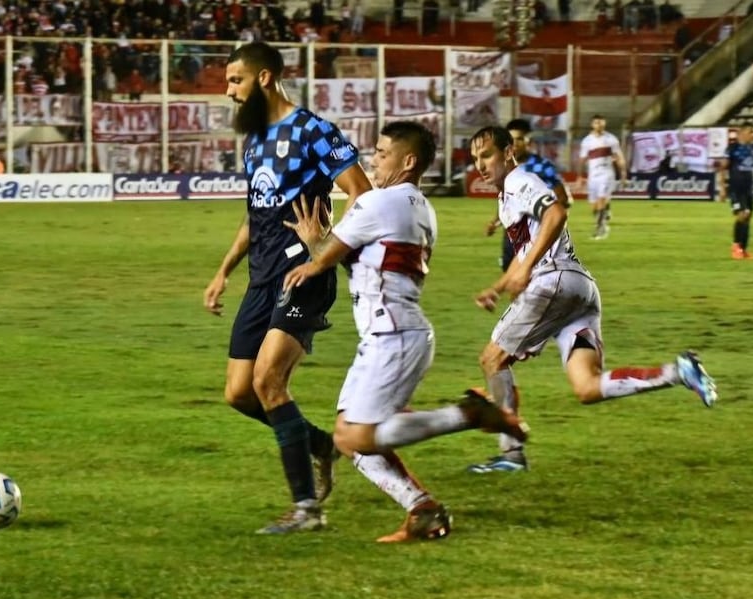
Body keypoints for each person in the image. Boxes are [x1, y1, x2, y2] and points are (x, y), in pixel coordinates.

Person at [281, 121, 527, 542]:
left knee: (359, 435)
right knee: (349, 438)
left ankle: (469, 415)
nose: (373, 161)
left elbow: (322, 259)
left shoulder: (378, 202)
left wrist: (312, 238)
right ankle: (423, 510)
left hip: (392, 335)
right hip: (393, 333)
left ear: (408, 161)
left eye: (382, 153)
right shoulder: (421, 207)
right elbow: (367, 259)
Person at [465, 125, 718, 473]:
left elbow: (556, 213)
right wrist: (499, 285)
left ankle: (511, 455)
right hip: (579, 289)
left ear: (508, 152)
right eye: (475, 158)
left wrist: (526, 271)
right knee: (587, 387)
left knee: (492, 359)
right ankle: (679, 371)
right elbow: (526, 251)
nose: (480, 165)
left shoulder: (520, 181)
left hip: (552, 283)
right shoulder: (507, 195)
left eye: (487, 155)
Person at [203, 42, 373, 534]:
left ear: (264, 79)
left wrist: (325, 250)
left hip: (302, 274)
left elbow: (361, 193)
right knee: (239, 393)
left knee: (268, 382)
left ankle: (306, 510)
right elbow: (256, 214)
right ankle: (320, 445)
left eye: (235, 80)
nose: (228, 90)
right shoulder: (256, 139)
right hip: (261, 279)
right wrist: (224, 270)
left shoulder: (313, 131)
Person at [486, 118, 572, 271]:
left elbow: (564, 199)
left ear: (529, 141)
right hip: (512, 232)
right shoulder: (505, 168)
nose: (515, 144)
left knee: (532, 274)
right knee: (509, 270)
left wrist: (548, 222)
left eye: (519, 139)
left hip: (536, 234)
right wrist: (496, 222)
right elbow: (507, 201)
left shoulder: (541, 166)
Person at [578, 115, 626, 240]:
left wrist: (623, 173)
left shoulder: (611, 139)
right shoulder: (587, 141)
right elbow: (582, 159)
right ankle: (605, 212)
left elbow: (619, 157)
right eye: (596, 123)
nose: (599, 125)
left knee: (601, 199)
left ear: (604, 123)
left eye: (601, 122)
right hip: (593, 175)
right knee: (594, 205)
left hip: (606, 173)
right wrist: (579, 176)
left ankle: (600, 229)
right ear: (592, 125)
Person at [724, 125, 753, 259]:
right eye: (751, 132)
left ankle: (743, 250)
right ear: (742, 133)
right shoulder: (732, 148)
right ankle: (735, 246)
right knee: (742, 215)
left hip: (748, 189)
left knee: (748, 218)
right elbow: (724, 167)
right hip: (736, 188)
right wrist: (722, 188)